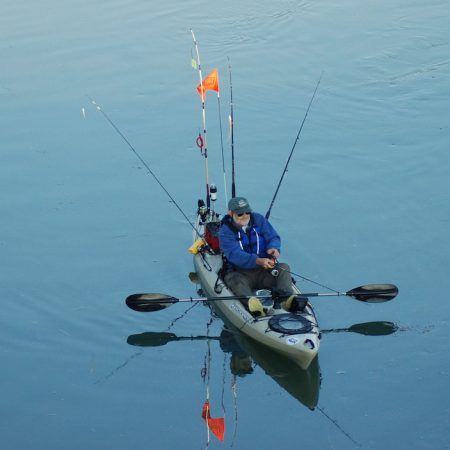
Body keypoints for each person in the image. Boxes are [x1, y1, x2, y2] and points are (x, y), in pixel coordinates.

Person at [219, 196, 301, 317]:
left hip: (264, 270)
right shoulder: (225, 232)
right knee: (235, 281)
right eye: (240, 213)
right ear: (231, 213)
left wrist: (274, 248)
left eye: (247, 212)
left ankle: (286, 300)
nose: (245, 215)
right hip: (241, 273)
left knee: (284, 267)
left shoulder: (259, 219)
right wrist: (257, 260)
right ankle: (253, 306)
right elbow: (234, 254)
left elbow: (273, 237)